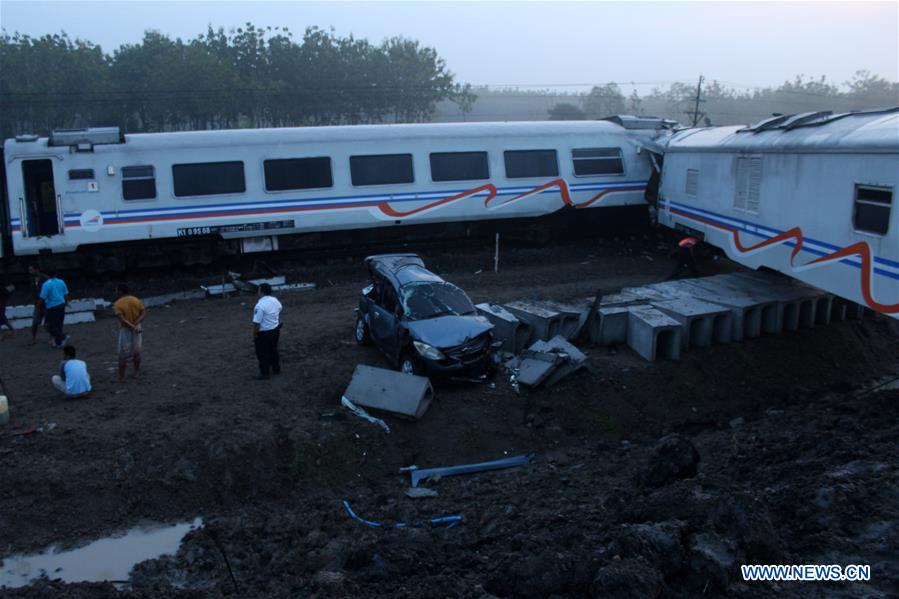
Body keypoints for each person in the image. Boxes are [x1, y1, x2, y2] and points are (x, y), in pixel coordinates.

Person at [113, 284, 146, 381]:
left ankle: (121, 377)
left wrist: (132, 326)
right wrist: (136, 324)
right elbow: (144, 313)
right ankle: (136, 373)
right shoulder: (136, 300)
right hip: (137, 328)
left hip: (125, 330)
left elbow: (122, 320)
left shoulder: (117, 304)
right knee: (137, 352)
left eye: (116, 290)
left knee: (122, 355)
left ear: (120, 291)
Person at [252, 283, 282, 380]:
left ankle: (264, 373)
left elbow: (257, 323)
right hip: (275, 330)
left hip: (264, 333)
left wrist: (255, 333)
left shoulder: (260, 305)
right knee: (273, 350)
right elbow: (279, 309)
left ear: (262, 292)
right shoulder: (275, 300)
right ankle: (276, 369)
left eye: (258, 290)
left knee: (262, 353)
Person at [39, 270, 69, 347]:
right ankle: (59, 342)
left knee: (48, 326)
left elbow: (42, 298)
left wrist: (39, 305)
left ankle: (62, 337)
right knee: (59, 324)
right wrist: (66, 302)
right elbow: (66, 293)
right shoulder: (61, 282)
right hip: (61, 304)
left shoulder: (46, 284)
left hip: (52, 306)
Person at [28, 265, 48, 345]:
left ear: (37, 269)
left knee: (48, 322)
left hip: (46, 303)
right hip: (38, 303)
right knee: (35, 322)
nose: (30, 271)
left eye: (31, 269)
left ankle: (51, 337)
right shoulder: (32, 279)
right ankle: (33, 339)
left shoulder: (45, 278)